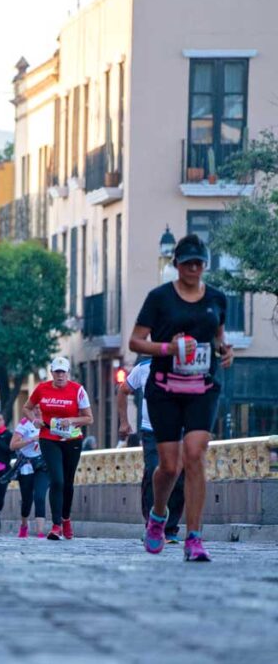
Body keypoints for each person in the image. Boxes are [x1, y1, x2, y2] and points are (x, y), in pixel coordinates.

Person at [129, 234, 233, 562]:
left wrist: (224, 351)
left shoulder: (217, 299)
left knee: (195, 455)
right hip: (165, 387)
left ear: (205, 265)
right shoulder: (159, 298)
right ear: (176, 265)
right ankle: (158, 516)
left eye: (199, 263)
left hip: (202, 386)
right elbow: (135, 341)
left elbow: (218, 338)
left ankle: (195, 538)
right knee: (170, 467)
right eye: (187, 263)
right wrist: (168, 349)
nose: (193, 268)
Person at [22, 357, 94, 541]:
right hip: (48, 438)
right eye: (57, 372)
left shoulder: (77, 390)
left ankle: (66, 519)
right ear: (52, 372)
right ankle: (56, 526)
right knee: (57, 481)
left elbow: (88, 418)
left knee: (68, 483)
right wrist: (34, 420)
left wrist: (71, 420)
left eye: (63, 372)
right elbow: (27, 407)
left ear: (68, 373)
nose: (60, 375)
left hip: (72, 439)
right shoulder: (42, 389)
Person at [118, 358, 185, 544]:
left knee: (179, 476)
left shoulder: (186, 365)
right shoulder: (143, 367)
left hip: (179, 429)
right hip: (151, 430)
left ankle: (170, 528)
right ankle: (151, 525)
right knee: (154, 471)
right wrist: (124, 422)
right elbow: (123, 390)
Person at [10, 417, 49, 538]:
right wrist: (31, 440)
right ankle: (24, 524)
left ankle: (40, 532)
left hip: (43, 465)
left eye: (40, 407)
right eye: (36, 407)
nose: (38, 410)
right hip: (26, 465)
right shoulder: (24, 423)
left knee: (40, 497)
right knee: (27, 500)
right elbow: (13, 445)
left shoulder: (50, 420)